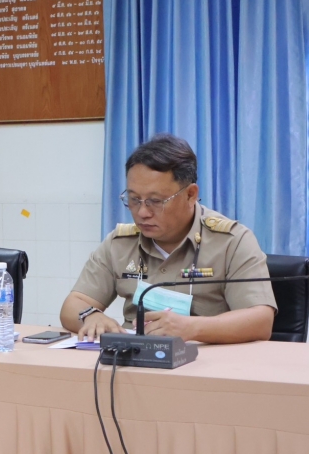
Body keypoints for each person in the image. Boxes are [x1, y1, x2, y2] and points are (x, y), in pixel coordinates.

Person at [60, 133, 276, 344]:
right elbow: (74, 304)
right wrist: (90, 316)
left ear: (190, 195)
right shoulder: (120, 243)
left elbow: (261, 321)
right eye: (134, 199)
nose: (142, 212)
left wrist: (192, 328)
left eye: (155, 201)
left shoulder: (232, 242)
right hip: (134, 360)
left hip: (206, 360)